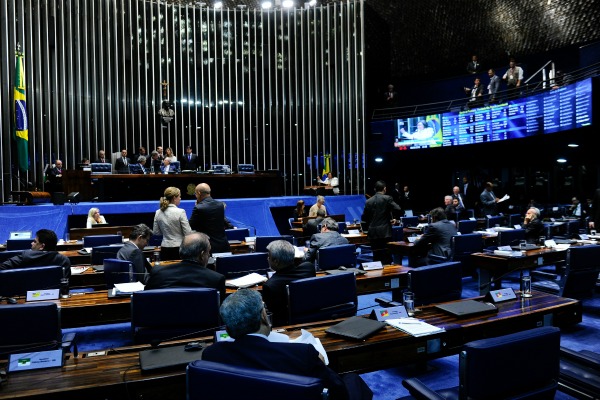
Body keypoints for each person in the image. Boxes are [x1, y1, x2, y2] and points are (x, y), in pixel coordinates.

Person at [201, 289, 373, 400]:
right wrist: (317, 361)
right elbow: (338, 392)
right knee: (352, 379)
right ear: (263, 317)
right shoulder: (302, 353)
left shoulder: (211, 354)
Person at [144, 232, 226, 300]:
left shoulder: (158, 273)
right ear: (202, 255)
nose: (209, 256)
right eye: (208, 252)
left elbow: (145, 299)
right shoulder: (216, 279)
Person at [262, 240, 316, 326]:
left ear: (276, 261)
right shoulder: (309, 268)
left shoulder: (270, 285)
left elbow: (275, 315)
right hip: (313, 317)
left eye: (269, 256)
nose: (267, 258)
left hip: (289, 325)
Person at [361, 180, 402, 264]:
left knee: (376, 256)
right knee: (386, 257)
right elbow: (398, 209)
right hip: (385, 232)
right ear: (385, 189)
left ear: (374, 189)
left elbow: (364, 217)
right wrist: (394, 218)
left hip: (373, 232)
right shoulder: (387, 198)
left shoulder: (368, 201)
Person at [1, 229, 71, 273]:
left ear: (42, 246)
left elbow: (2, 267)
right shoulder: (64, 260)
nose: (31, 243)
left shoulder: (26, 255)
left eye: (34, 241)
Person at [189, 183, 231, 254]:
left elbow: (191, 226)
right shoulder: (220, 205)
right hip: (223, 244)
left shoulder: (198, 207)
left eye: (195, 194)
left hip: (207, 247)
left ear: (199, 193)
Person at [153, 187, 192, 261]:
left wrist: (166, 231)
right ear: (174, 198)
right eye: (179, 196)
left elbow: (156, 232)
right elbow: (188, 233)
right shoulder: (180, 212)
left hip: (164, 247)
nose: (180, 198)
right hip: (179, 248)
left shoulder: (158, 212)